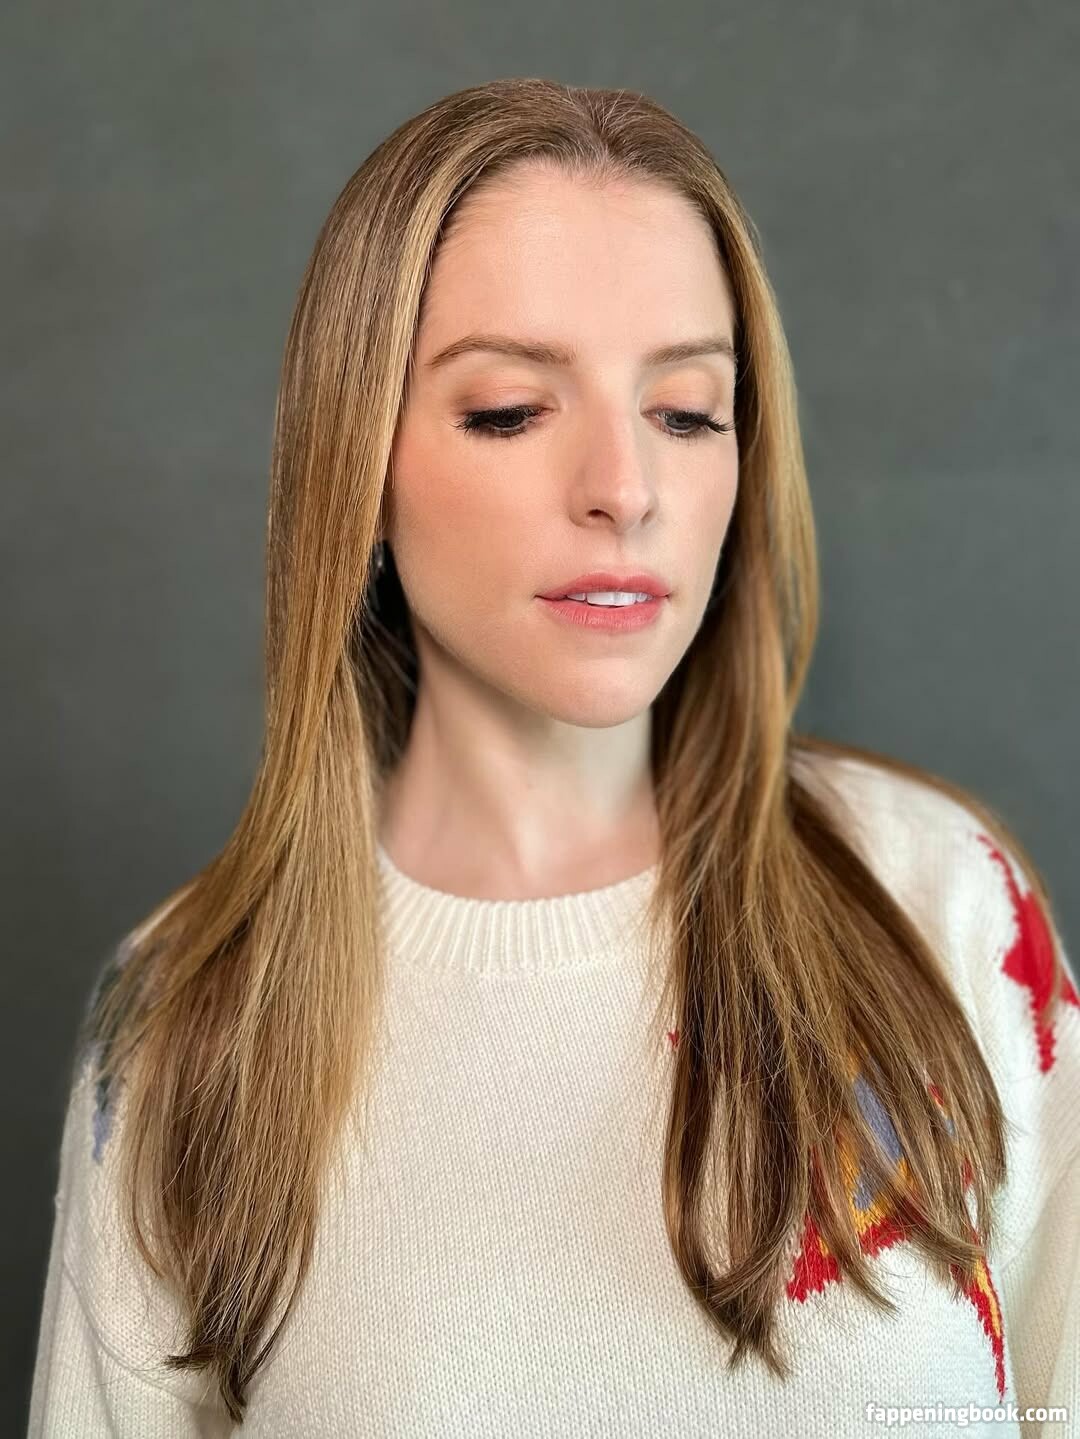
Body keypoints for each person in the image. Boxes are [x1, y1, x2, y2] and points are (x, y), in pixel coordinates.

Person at [28, 77, 1079, 1437]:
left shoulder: (944, 906)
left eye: (687, 412)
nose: (624, 489)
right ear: (359, 465)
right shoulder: (184, 1028)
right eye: (510, 410)